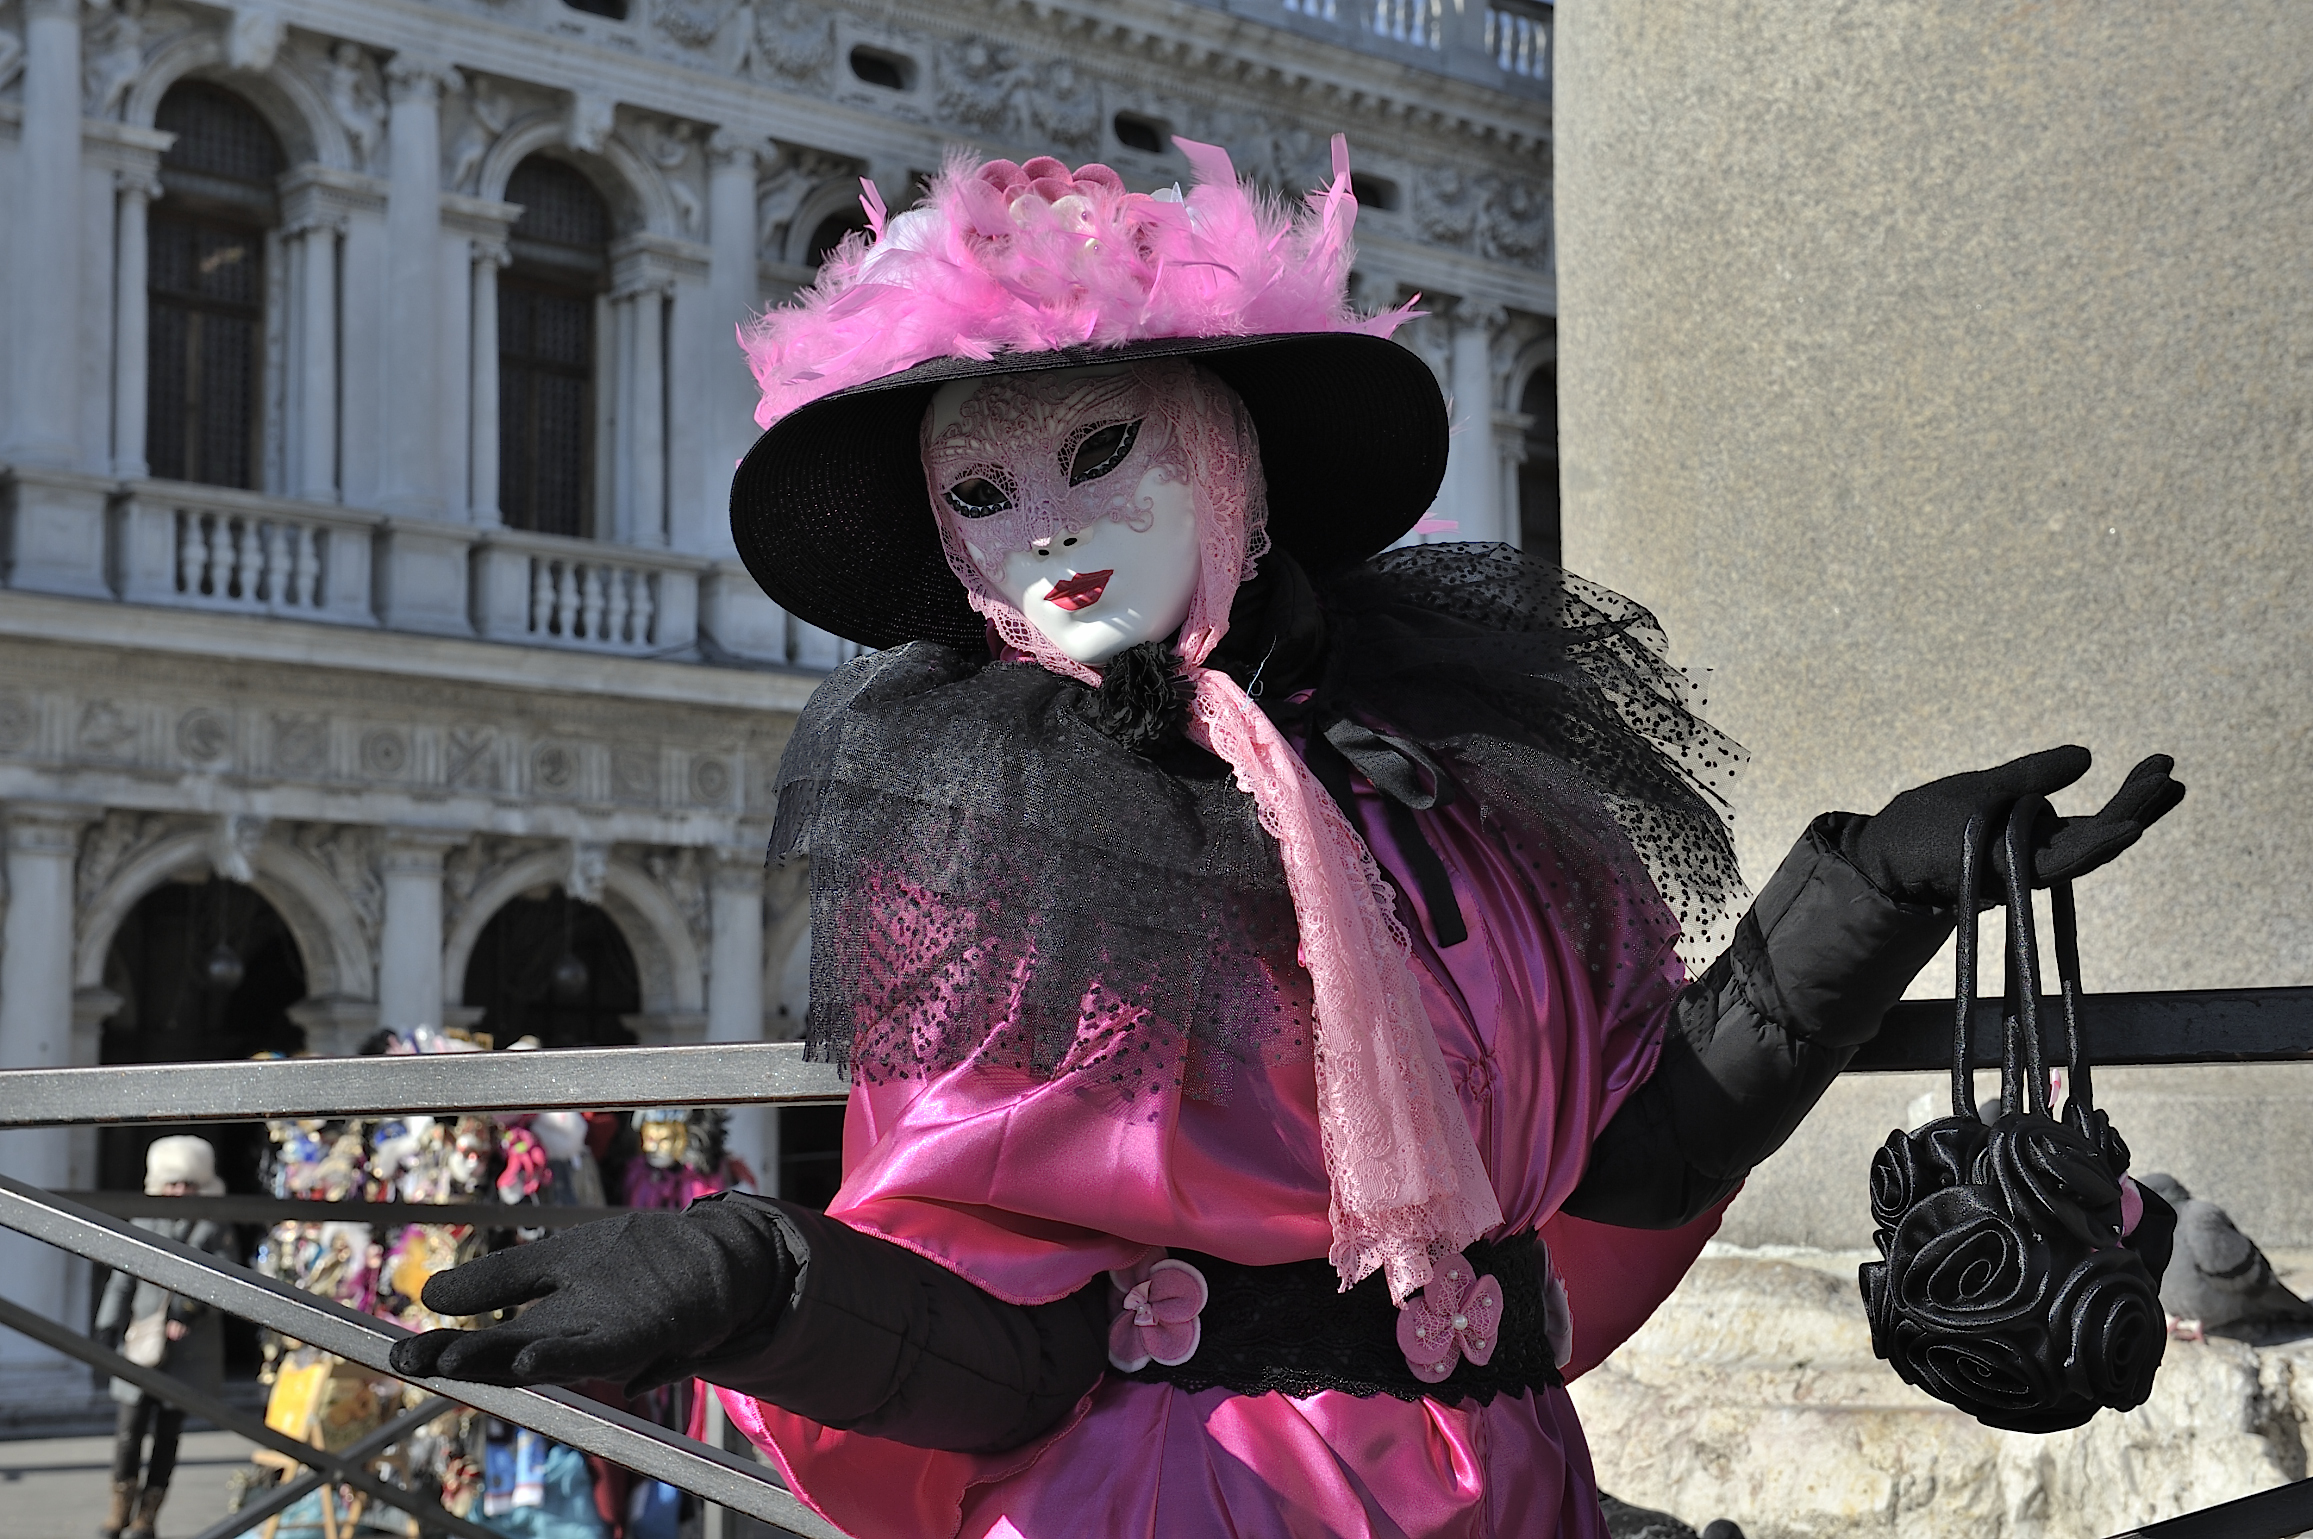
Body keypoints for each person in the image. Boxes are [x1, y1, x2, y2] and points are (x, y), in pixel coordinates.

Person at [392, 141, 2183, 1537]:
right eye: (982, 494)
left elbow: (1616, 1175)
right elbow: (999, 1327)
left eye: (1106, 453)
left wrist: (1865, 891)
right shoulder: (1002, 849)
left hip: (1500, 1485)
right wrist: (758, 1279)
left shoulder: (1456, 797)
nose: (1050, 536)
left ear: (1231, 461)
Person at [96, 1135, 240, 1539]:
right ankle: (118, 1511)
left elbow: (231, 1282)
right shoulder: (145, 1220)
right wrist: (108, 1324)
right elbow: (121, 1279)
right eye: (173, 1183)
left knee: (167, 1435)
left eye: (188, 1183)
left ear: (200, 1184)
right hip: (141, 1341)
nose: (180, 1191)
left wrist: (188, 1311)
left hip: (188, 1349)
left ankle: (147, 1518)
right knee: (128, 1431)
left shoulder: (214, 1225)